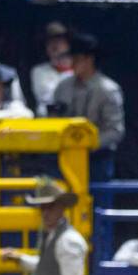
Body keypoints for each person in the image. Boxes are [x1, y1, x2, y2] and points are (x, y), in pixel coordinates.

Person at [51, 33, 125, 182]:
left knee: (97, 201)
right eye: (72, 59)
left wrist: (86, 144)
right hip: (65, 156)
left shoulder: (107, 89)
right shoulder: (63, 86)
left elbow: (115, 130)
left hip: (97, 159)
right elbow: (54, 118)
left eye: (76, 59)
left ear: (89, 59)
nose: (72, 64)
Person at [30, 22, 72, 118]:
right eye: (50, 42)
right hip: (48, 119)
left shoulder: (78, 71)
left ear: (68, 44)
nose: (54, 45)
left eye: (59, 41)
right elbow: (46, 98)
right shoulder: (39, 71)